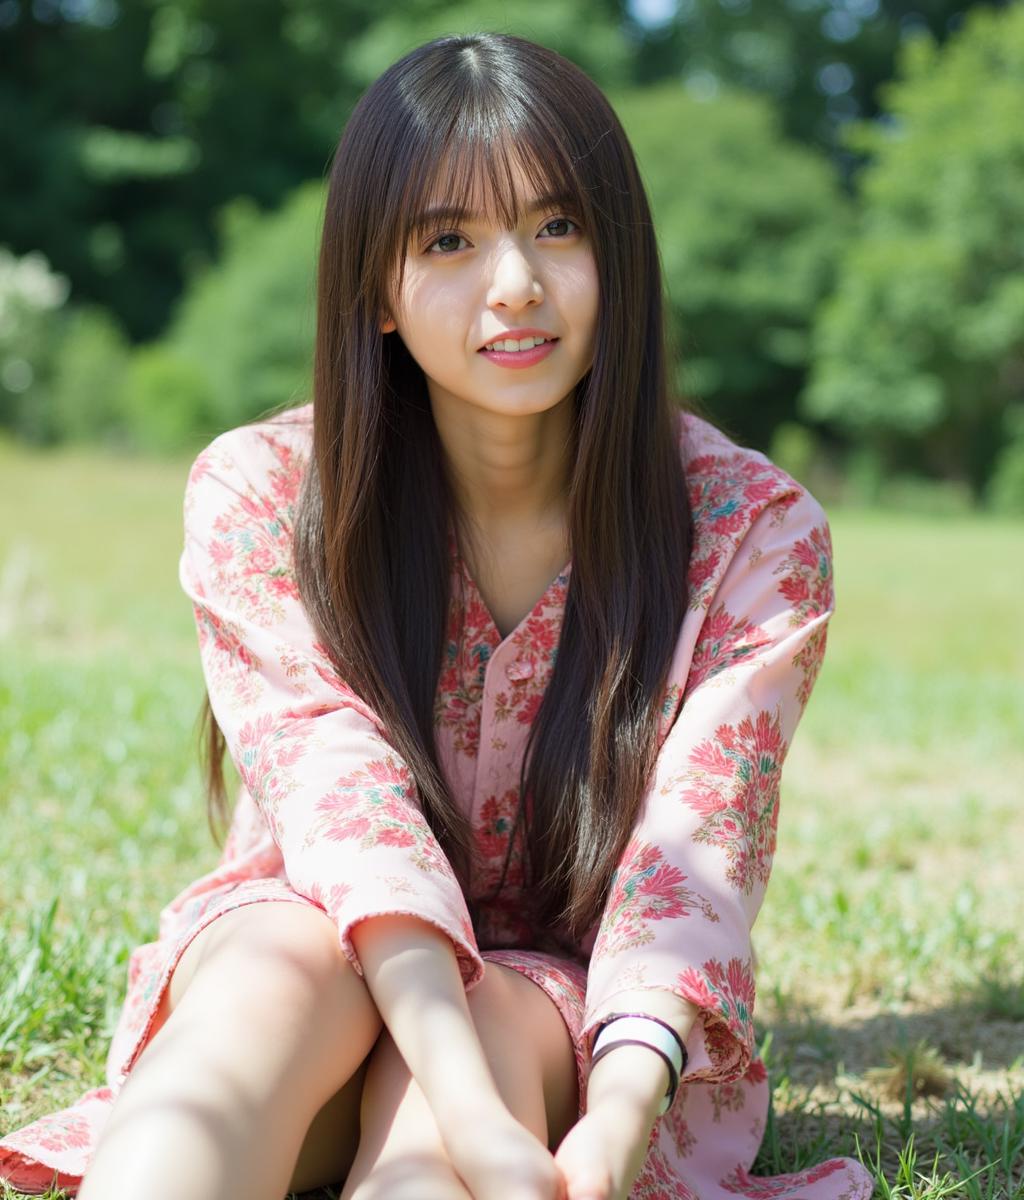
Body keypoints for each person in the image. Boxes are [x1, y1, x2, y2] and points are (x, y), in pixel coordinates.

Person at [0, 31, 874, 1200]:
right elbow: (340, 797)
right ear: (373, 287)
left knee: (478, 1064)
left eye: (558, 226)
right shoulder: (264, 495)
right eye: (449, 240)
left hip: (560, 1012)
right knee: (267, 989)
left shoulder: (750, 534)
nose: (515, 281)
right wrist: (462, 1097)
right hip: (315, 945)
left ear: (621, 253)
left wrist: (609, 1122)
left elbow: (696, 857)